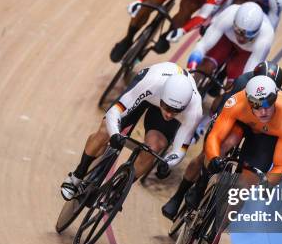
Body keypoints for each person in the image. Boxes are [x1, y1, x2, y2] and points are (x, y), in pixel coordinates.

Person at [162, 67, 282, 220]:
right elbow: (216, 135)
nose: (263, 110)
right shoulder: (239, 93)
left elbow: (281, 164)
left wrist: (268, 183)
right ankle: (189, 190)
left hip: (266, 134)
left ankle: (217, 228)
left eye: (268, 102)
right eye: (257, 103)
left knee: (247, 183)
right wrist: (212, 158)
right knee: (219, 148)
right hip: (239, 120)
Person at [61, 62, 203, 200]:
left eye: (176, 111)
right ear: (163, 96)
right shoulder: (152, 82)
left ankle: (116, 192)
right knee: (105, 131)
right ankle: (77, 176)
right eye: (167, 107)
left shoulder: (195, 110)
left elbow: (180, 150)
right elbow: (114, 113)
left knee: (154, 147)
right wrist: (115, 134)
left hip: (159, 103)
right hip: (145, 93)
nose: (170, 115)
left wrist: (167, 163)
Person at [186, 2, 275, 87]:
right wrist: (192, 65)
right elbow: (203, 45)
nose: (241, 38)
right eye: (238, 31)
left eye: (247, 35)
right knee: (205, 66)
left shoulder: (266, 37)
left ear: (257, 32)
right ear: (234, 22)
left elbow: (248, 74)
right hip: (227, 39)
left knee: (233, 88)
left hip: (246, 52)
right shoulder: (229, 14)